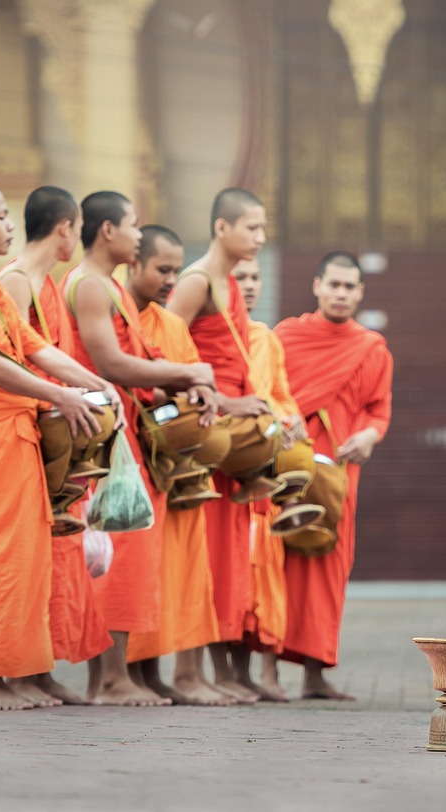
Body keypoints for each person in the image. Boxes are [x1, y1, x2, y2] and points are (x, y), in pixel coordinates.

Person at [0, 180, 120, 710]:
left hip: (18, 436)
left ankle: (26, 671)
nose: (11, 226)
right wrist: (62, 395)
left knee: (28, 563)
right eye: (2, 216)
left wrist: (98, 387)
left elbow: (37, 349)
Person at [61, 190, 217, 706]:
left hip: (124, 434)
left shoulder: (108, 287)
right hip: (105, 441)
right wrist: (187, 371)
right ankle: (109, 680)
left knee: (124, 555)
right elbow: (110, 364)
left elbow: (135, 364)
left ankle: (112, 677)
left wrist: (181, 387)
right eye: (132, 226)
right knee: (116, 554)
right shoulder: (88, 285)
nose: (136, 234)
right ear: (107, 231)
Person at [0, 185, 113, 707]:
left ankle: (41, 670)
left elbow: (48, 353)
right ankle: (17, 672)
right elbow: (12, 361)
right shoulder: (15, 281)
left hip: (53, 429)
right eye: (77, 227)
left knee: (55, 563)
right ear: (65, 227)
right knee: (24, 561)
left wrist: (95, 389)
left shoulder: (49, 283)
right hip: (24, 431)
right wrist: (62, 398)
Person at [166, 187, 274, 703]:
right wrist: (225, 405)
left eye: (262, 227)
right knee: (196, 556)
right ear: (221, 228)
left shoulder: (228, 284)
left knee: (224, 559)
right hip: (204, 433)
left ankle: (206, 671)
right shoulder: (194, 281)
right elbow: (163, 352)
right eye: (252, 227)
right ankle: (185, 674)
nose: (261, 237)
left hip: (232, 441)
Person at [122, 224, 236, 706]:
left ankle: (175, 674)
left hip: (178, 465)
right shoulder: (116, 312)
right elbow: (115, 370)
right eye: (163, 269)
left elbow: (193, 371)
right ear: (133, 263)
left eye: (176, 269)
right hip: (133, 457)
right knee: (137, 568)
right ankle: (136, 675)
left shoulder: (168, 323)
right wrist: (176, 386)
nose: (172, 279)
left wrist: (204, 395)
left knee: (185, 571)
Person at [275, 252, 392, 700]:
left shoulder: (372, 347)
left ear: (361, 292)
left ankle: (314, 673)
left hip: (340, 472)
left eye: (350, 287)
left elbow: (379, 410)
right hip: (289, 465)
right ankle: (266, 671)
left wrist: (369, 436)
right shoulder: (287, 336)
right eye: (334, 285)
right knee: (278, 559)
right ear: (317, 285)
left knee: (329, 565)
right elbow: (267, 391)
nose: (341, 294)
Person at [230, 256, 307, 702]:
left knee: (269, 576)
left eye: (256, 277)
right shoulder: (211, 331)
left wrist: (291, 417)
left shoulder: (266, 338)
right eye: (240, 278)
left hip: (269, 474)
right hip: (234, 468)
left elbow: (280, 393)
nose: (250, 285)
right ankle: (235, 672)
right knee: (236, 574)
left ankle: (270, 673)